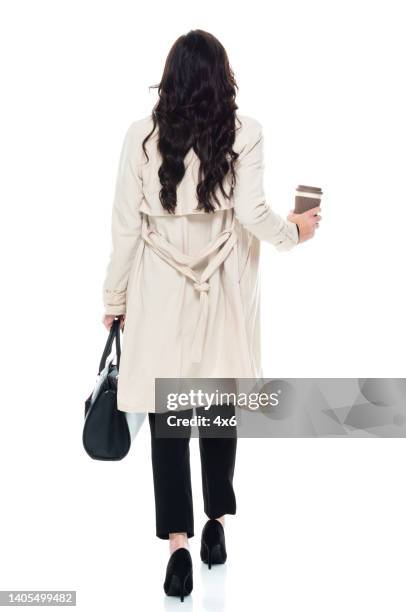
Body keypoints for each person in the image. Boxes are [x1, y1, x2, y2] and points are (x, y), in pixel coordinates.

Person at [101, 29, 321, 601]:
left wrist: (114, 300)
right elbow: (251, 212)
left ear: (169, 78)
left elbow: (125, 228)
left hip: (160, 290)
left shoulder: (140, 138)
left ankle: (178, 548)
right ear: (223, 78)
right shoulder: (244, 134)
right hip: (220, 287)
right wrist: (294, 232)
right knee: (218, 407)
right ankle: (215, 527)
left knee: (169, 420)